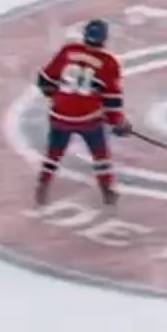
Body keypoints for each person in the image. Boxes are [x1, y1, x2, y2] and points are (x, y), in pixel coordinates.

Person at [34, 18, 127, 206]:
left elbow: (44, 80)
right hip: (88, 119)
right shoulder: (108, 62)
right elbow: (112, 99)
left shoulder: (68, 51)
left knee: (54, 152)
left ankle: (43, 184)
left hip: (60, 115)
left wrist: (56, 97)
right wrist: (117, 121)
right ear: (104, 38)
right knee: (100, 154)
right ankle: (107, 190)